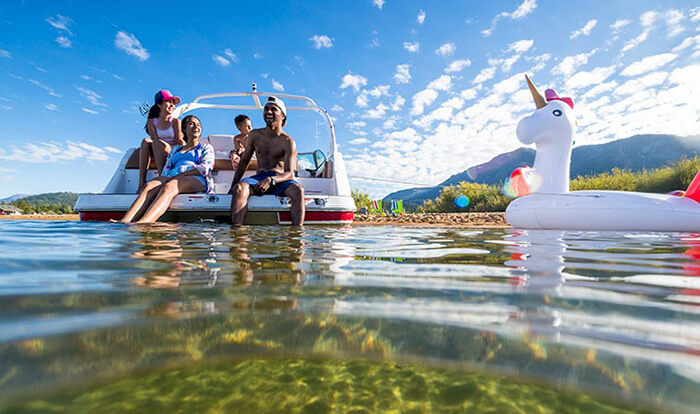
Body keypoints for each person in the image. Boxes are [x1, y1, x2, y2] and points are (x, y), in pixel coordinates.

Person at [121, 115, 214, 223]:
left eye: (198, 125)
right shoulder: (175, 150)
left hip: (195, 177)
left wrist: (178, 176)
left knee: (171, 185)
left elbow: (205, 168)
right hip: (172, 176)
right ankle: (124, 221)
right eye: (191, 124)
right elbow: (167, 168)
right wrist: (161, 180)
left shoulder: (206, 147)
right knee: (149, 185)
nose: (196, 127)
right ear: (184, 128)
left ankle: (144, 223)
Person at [229, 96, 305, 225]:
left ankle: (296, 237)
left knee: (298, 190)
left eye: (273, 109)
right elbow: (243, 162)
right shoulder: (254, 135)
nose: (268, 112)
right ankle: (238, 238)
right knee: (239, 189)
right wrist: (233, 186)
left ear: (283, 116)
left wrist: (271, 180)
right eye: (266, 109)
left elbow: (289, 173)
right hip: (259, 178)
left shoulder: (288, 142)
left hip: (279, 179)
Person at [138, 90, 185, 191]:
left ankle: (161, 178)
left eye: (173, 103)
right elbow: (154, 140)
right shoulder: (152, 122)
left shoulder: (176, 122)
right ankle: (141, 182)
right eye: (169, 102)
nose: (172, 105)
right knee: (146, 141)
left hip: (172, 149)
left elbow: (179, 141)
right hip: (157, 147)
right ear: (159, 105)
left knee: (158, 143)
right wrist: (160, 143)